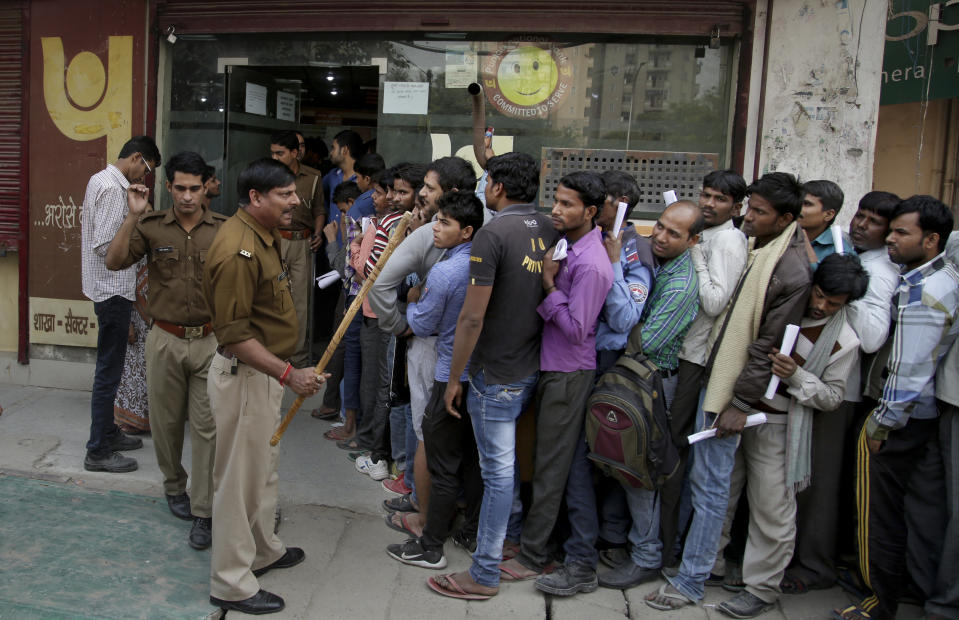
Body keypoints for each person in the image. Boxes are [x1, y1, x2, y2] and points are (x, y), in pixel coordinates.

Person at [646, 172, 811, 616]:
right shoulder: (762, 245)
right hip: (718, 376)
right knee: (712, 482)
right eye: (750, 208)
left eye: (757, 211)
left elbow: (767, 343)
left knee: (713, 484)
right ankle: (700, 569)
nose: (748, 217)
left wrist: (739, 402)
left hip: (733, 387)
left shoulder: (790, 266)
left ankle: (692, 581)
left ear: (786, 218)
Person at [202, 158, 329, 615]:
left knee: (262, 471)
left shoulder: (264, 236)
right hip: (247, 379)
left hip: (264, 377)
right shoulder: (239, 250)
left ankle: (262, 550)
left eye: (294, 193)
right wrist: (289, 374)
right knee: (237, 481)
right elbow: (233, 337)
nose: (296, 201)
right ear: (256, 198)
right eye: (285, 195)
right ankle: (231, 582)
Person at [429, 152, 558, 600]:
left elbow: (470, 318)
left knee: (498, 473)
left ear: (498, 188)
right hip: (529, 365)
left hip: (496, 373)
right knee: (508, 467)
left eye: (488, 181)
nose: (485, 187)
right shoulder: (546, 227)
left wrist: (454, 377)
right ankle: (509, 541)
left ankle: (483, 572)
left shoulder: (491, 234)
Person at [837, 196, 958, 620]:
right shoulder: (940, 275)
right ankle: (913, 589)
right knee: (916, 510)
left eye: (901, 233)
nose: (890, 238)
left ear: (931, 240)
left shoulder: (922, 291)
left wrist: (882, 423)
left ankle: (876, 601)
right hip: (923, 418)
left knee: (877, 514)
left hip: (899, 420)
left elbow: (908, 369)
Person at [494, 171, 614, 596]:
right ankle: (557, 548)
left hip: (568, 372)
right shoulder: (569, 246)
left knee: (549, 467)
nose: (557, 211)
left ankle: (533, 554)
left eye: (567, 205)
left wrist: (548, 286)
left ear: (591, 211)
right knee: (556, 463)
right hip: (549, 366)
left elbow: (578, 329)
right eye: (556, 201)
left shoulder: (592, 263)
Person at [105, 151, 226, 548]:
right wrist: (132, 216)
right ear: (169, 187)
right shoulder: (153, 226)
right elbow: (114, 261)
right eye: (180, 188)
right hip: (165, 340)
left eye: (195, 188)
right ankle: (175, 486)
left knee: (207, 428)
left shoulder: (223, 231)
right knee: (166, 424)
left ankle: (204, 513)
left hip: (209, 341)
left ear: (206, 187)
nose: (188, 196)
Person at [597, 200, 702, 591]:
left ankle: (647, 556)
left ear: (693, 240)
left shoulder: (680, 283)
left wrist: (592, 337)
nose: (659, 236)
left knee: (640, 467)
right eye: (659, 227)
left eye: (673, 233)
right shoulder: (662, 264)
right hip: (641, 377)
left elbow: (644, 340)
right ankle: (638, 546)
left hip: (654, 383)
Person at [370, 156, 478, 536]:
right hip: (467, 353)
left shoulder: (435, 245)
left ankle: (427, 515)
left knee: (426, 435)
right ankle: (436, 504)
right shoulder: (484, 231)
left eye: (429, 188)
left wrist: (400, 323)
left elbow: (380, 284)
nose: (421, 194)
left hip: (433, 348)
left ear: (451, 195)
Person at [386, 190, 485, 569]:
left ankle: (430, 545)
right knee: (473, 461)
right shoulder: (483, 262)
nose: (435, 228)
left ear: (467, 231)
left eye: (444, 222)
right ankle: (469, 529)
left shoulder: (445, 271)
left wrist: (412, 299)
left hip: (448, 372)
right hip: (478, 372)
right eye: (435, 219)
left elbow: (421, 323)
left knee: (441, 460)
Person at [663, 170, 748, 567]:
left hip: (696, 358)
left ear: (737, 207)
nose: (710, 203)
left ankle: (672, 547)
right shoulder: (710, 234)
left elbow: (715, 303)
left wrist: (694, 252)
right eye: (706, 195)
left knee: (677, 451)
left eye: (720, 199)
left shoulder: (728, 240)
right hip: (682, 352)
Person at [81, 135, 161, 473]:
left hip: (104, 287)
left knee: (110, 369)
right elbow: (104, 245)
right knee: (108, 373)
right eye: (147, 170)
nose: (144, 178)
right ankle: (98, 450)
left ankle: (109, 434)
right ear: (137, 158)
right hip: (112, 289)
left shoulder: (99, 178)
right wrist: (134, 218)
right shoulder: (116, 190)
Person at [269, 130, 325, 367]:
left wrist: (318, 232)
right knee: (272, 298)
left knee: (300, 302)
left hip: (302, 242)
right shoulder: (267, 175)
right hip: (274, 241)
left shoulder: (312, 178)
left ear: (295, 153)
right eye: (272, 153)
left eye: (280, 153)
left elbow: (319, 210)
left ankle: (299, 357)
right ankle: (274, 354)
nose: (275, 158)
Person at [113, 257, 150, 435]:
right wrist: (126, 320)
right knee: (134, 364)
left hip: (162, 306)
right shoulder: (128, 234)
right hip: (133, 306)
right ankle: (133, 420)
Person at [800, 180, 855, 268]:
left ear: (828, 214)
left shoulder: (842, 253)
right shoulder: (784, 237)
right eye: (797, 201)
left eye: (806, 204)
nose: (797, 207)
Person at [323, 129, 363, 220]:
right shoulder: (331, 176)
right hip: (332, 233)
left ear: (344, 150)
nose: (331, 153)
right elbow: (320, 197)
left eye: (333, 148)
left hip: (354, 233)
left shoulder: (363, 179)